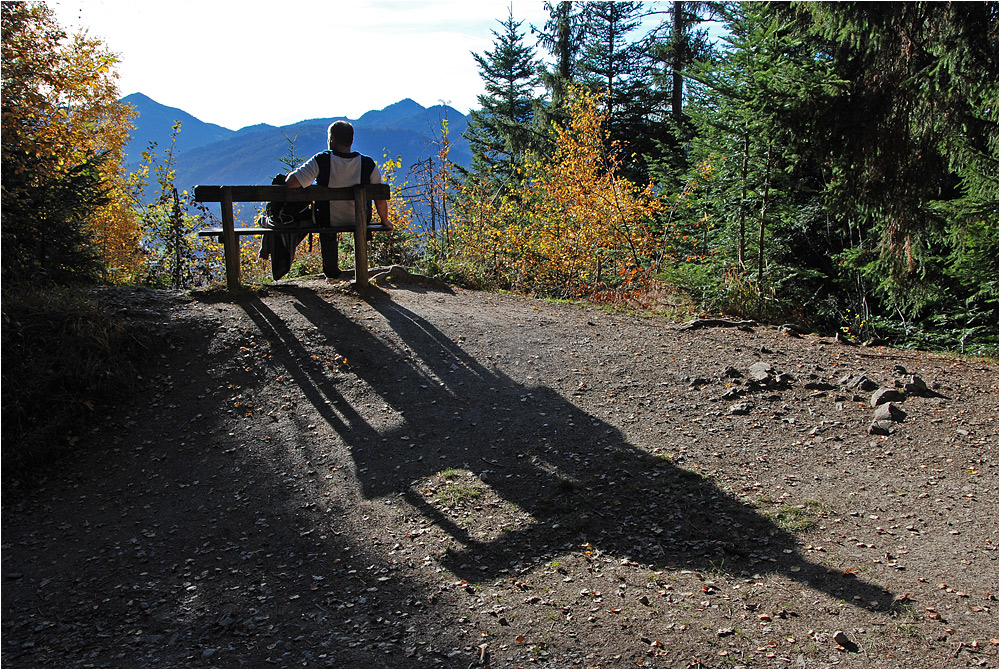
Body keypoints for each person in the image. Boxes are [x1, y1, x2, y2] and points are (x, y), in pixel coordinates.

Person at [284, 120, 391, 279]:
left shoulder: (322, 160)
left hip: (328, 220)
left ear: (331, 139)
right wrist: (385, 220)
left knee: (325, 225)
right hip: (359, 220)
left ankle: (332, 272)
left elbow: (291, 183)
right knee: (358, 223)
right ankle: (361, 272)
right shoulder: (367, 164)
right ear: (352, 140)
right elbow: (380, 198)